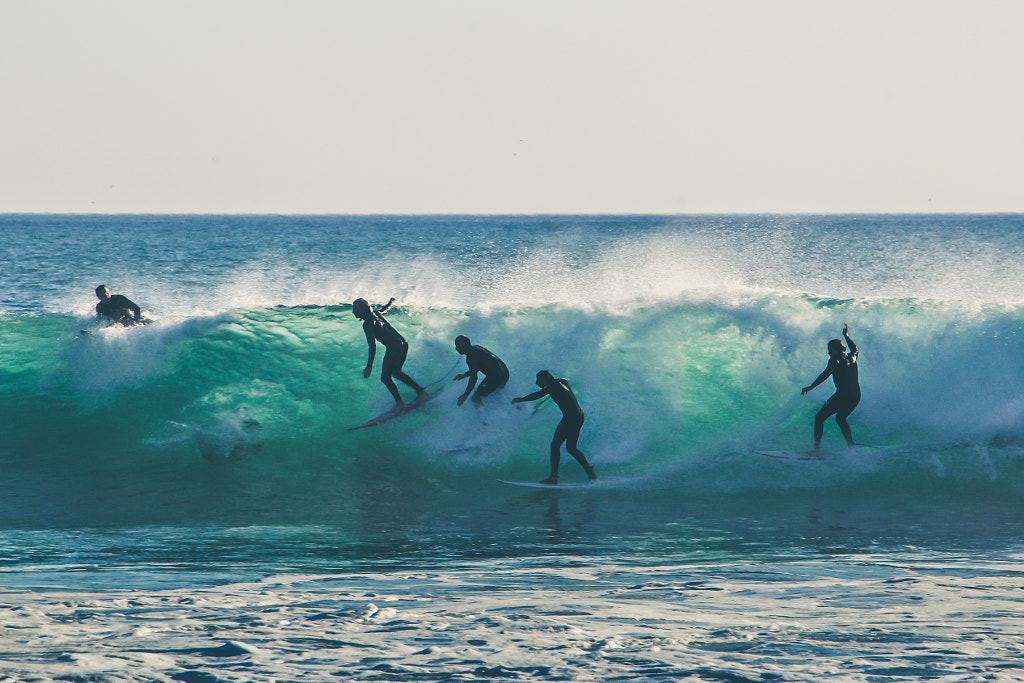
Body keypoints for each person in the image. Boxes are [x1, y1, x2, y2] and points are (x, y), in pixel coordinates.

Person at [512, 370, 597, 484]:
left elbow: (538, 394)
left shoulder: (552, 386)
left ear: (546, 379)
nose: (537, 383)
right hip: (579, 416)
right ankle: (589, 470)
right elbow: (563, 382)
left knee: (554, 445)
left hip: (570, 418)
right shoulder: (560, 382)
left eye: (539, 380)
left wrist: (520, 399)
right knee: (571, 448)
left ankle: (553, 478)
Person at [352, 297, 425, 405]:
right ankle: (420, 391)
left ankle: (400, 403)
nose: (353, 311)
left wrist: (369, 366)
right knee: (396, 372)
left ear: (363, 309)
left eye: (356, 308)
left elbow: (372, 346)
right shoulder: (376, 314)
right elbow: (385, 309)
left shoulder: (367, 324)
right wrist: (391, 302)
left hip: (394, 347)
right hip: (403, 343)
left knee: (385, 377)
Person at [801, 323, 861, 451]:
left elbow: (826, 374)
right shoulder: (852, 357)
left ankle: (816, 450)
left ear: (836, 350)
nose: (828, 352)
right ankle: (851, 446)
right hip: (856, 396)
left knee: (819, 418)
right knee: (840, 418)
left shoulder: (835, 360)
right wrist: (846, 336)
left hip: (843, 396)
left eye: (830, 349)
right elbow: (855, 349)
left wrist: (811, 386)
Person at [454, 335, 509, 406]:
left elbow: (474, 378)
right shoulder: (476, 348)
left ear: (466, 344)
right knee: (494, 395)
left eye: (458, 345)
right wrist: (465, 375)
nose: (456, 348)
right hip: (504, 373)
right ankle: (513, 408)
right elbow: (477, 366)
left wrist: (465, 395)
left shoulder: (471, 357)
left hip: (496, 377)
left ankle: (484, 416)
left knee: (475, 398)